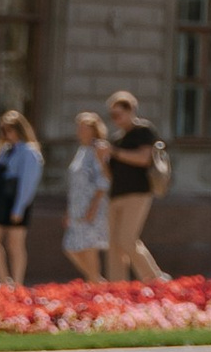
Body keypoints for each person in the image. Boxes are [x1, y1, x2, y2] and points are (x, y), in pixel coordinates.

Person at [102, 91, 168, 284]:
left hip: (138, 192)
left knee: (127, 239)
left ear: (130, 110)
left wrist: (114, 152)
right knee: (114, 245)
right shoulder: (116, 138)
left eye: (118, 114)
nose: (115, 119)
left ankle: (155, 279)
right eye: (112, 116)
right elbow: (110, 174)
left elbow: (143, 158)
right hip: (117, 194)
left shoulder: (143, 131)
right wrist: (102, 159)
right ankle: (117, 286)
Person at [0, 108, 43, 284]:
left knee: (15, 244)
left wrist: (19, 208)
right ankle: (4, 279)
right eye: (3, 130)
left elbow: (28, 183)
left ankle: (18, 282)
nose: (7, 134)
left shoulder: (29, 152)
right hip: (1, 201)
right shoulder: (5, 150)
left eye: (10, 130)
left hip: (17, 201)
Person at [63, 110, 110, 283]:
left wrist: (94, 206)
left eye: (84, 128)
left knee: (89, 247)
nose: (79, 132)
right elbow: (75, 183)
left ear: (94, 130)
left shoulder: (98, 149)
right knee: (71, 247)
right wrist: (68, 210)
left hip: (92, 204)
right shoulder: (81, 150)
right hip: (77, 206)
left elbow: (104, 180)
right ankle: (96, 280)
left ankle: (95, 284)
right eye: (79, 128)